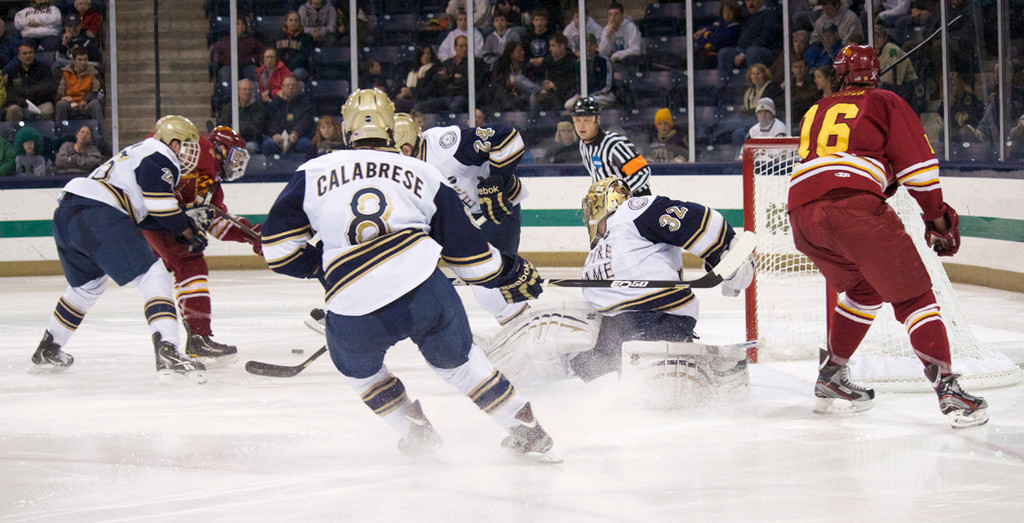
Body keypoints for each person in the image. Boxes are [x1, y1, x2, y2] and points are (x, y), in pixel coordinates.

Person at [261, 88, 559, 461]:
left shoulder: (312, 172)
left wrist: (323, 268)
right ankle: (528, 432)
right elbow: (470, 258)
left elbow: (277, 251)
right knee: (465, 367)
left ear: (346, 129)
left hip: (352, 307)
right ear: (391, 128)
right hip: (424, 293)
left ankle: (416, 432)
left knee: (362, 376)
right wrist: (508, 270)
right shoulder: (423, 171)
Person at [789, 44, 988, 428]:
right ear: (876, 75)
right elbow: (919, 169)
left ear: (839, 75)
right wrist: (939, 220)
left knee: (865, 290)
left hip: (802, 214)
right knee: (915, 294)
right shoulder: (885, 101)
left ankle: (832, 375)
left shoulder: (817, 109)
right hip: (853, 208)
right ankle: (949, 389)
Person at [28, 115, 207, 381]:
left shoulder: (134, 153)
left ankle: (49, 347)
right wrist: (189, 229)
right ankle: (168, 350)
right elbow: (159, 205)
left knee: (84, 288)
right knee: (153, 276)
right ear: (174, 142)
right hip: (99, 212)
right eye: (188, 145)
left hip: (68, 213)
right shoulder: (158, 153)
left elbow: (146, 215)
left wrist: (182, 230)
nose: (190, 153)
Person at [566, 177, 753, 381]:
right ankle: (707, 368)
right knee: (582, 367)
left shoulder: (630, 211)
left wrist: (723, 248)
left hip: (657, 316)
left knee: (652, 386)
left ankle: (709, 372)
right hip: (616, 327)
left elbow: (688, 218)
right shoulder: (602, 246)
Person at [140, 125, 257, 365]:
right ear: (222, 147)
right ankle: (197, 338)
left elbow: (216, 221)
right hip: (154, 215)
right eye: (235, 155)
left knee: (173, 272)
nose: (235, 164)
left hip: (157, 218)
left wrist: (252, 235)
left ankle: (180, 340)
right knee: (190, 262)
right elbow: (154, 148)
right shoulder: (202, 149)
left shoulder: (212, 182)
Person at [409, 113, 532, 324]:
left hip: (497, 210)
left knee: (487, 288)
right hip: (463, 220)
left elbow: (508, 136)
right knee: (484, 287)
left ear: (405, 148)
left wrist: (496, 180)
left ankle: (525, 326)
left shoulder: (443, 146)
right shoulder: (408, 171)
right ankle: (520, 325)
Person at [571, 96, 651, 196]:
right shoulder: (583, 144)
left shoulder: (614, 144)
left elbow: (641, 172)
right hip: (613, 205)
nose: (581, 126)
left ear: (597, 120)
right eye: (577, 120)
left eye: (586, 120)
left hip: (637, 201)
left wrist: (621, 192)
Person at [415, 35, 485, 115]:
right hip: (444, 97)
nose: (464, 49)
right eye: (461, 46)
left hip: (461, 97)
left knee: (455, 106)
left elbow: (469, 82)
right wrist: (453, 76)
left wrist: (447, 78)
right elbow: (437, 79)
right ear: (455, 47)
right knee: (419, 107)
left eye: (466, 46)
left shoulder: (476, 63)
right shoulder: (447, 63)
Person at [716, 0, 781, 79]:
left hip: (763, 52)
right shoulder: (746, 16)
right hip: (742, 50)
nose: (750, 3)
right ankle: (726, 85)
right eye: (747, 1)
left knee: (752, 52)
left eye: (753, 0)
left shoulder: (769, 15)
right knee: (724, 53)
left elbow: (765, 39)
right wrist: (705, 30)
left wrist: (744, 53)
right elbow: (726, 21)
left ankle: (754, 86)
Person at [262, 75, 314, 155]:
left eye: (293, 85)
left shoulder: (305, 103)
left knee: (305, 143)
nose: (290, 87)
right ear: (282, 87)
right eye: (288, 85)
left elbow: (306, 120)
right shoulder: (274, 103)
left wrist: (296, 133)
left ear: (297, 88)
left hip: (298, 136)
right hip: (278, 136)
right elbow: (269, 121)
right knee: (268, 144)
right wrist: (275, 134)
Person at [4, 43, 56, 122]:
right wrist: (19, 101)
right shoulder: (13, 72)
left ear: (34, 54)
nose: (28, 56)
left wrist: (30, 94)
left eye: (30, 53)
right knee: (12, 109)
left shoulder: (44, 69)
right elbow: (11, 92)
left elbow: (49, 88)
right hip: (21, 105)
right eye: (24, 53)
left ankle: (45, 134)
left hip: (41, 103)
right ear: (19, 56)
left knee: (47, 110)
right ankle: (14, 134)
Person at [563, 33, 613, 110]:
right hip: (583, 96)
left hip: (602, 95)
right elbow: (577, 84)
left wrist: (590, 96)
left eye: (591, 45)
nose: (588, 48)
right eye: (585, 45)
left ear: (596, 46)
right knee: (568, 105)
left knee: (605, 100)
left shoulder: (604, 60)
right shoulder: (578, 63)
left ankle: (587, 104)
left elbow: (607, 85)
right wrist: (580, 94)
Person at [55, 47, 104, 125]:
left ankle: (100, 132)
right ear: (74, 61)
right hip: (70, 104)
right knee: (60, 104)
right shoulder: (65, 73)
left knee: (95, 104)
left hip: (86, 105)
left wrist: (86, 99)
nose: (83, 62)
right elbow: (59, 92)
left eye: (85, 59)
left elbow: (98, 91)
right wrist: (62, 97)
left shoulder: (93, 73)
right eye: (80, 60)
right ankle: (59, 131)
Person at [217, 79, 266, 153]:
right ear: (238, 91)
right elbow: (225, 126)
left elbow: (256, 128)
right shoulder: (229, 108)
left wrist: (238, 127)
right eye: (244, 89)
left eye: (249, 89)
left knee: (248, 148)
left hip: (251, 141)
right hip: (232, 141)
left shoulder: (258, 107)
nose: (247, 92)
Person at [210, 18, 265, 82]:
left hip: (247, 66)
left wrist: (252, 59)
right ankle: (227, 91)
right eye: (238, 24)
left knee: (255, 73)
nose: (240, 26)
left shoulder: (252, 41)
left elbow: (263, 52)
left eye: (243, 24)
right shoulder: (223, 41)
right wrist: (225, 59)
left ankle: (255, 91)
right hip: (228, 66)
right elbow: (215, 54)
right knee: (226, 74)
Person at [693, 0, 742, 69]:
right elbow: (712, 28)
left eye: (730, 12)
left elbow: (719, 39)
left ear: (735, 13)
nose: (727, 15)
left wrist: (707, 35)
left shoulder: (735, 27)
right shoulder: (721, 23)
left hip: (723, 53)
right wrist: (703, 31)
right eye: (725, 12)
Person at [598, 1, 641, 68]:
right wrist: (608, 35)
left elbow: (635, 50)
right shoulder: (606, 29)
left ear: (622, 15)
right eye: (610, 14)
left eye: (616, 14)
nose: (613, 17)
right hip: (612, 62)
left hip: (628, 62)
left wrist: (617, 55)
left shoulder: (631, 27)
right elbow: (602, 52)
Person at [274, 12, 313, 82]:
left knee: (299, 73)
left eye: (296, 20)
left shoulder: (305, 38)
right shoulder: (277, 36)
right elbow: (274, 53)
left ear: (300, 22)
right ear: (286, 22)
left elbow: (304, 56)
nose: (293, 22)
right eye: (291, 20)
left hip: (297, 69)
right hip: (280, 68)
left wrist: (289, 69)